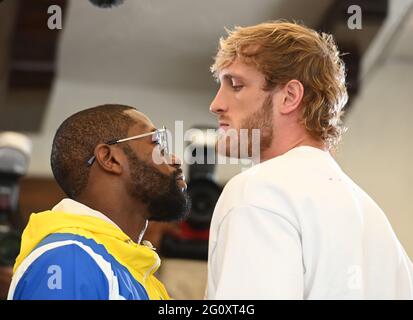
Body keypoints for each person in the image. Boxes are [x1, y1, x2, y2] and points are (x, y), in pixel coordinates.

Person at [207, 21, 413, 299]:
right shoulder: (376, 225)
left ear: (290, 96)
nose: (216, 104)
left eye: (236, 85)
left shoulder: (259, 190)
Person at [8, 104, 190, 300]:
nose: (175, 159)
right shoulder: (69, 258)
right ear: (110, 159)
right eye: (157, 143)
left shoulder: (134, 271)